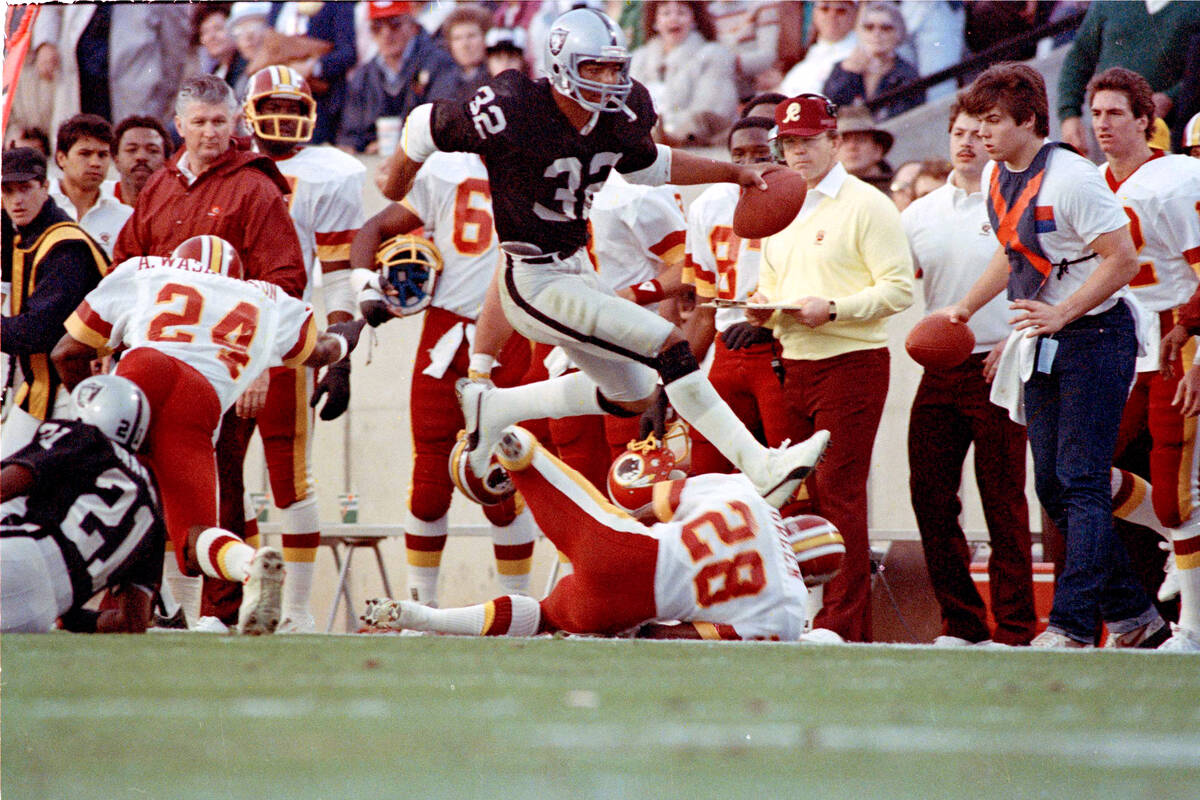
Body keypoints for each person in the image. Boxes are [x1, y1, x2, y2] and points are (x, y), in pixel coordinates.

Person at [381, 7, 831, 517]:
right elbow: (424, 124)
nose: (610, 80)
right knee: (670, 345)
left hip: (577, 268)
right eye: (595, 68)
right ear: (561, 63)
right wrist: (396, 183)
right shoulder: (511, 105)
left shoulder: (622, 112)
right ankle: (762, 466)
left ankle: (499, 407)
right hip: (533, 277)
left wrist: (733, 174)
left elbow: (651, 166)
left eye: (615, 68)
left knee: (634, 394)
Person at [945, 63, 1164, 649]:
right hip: (1043, 339)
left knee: (1081, 482)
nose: (983, 133)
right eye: (977, 121)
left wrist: (1060, 315)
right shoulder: (997, 173)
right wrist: (963, 309)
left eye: (994, 121)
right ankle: (1135, 617)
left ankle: (1069, 624)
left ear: (1030, 120)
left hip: (1095, 335)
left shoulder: (1072, 178)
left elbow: (1122, 261)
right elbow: (1012, 252)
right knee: (1050, 486)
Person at [51, 235, 367, 635]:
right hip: (198, 400)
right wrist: (346, 337)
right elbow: (320, 351)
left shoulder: (147, 270)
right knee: (192, 538)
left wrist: (90, 412)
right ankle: (250, 565)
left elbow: (66, 353)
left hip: (140, 376)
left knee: (93, 499)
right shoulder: (266, 300)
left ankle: (57, 597)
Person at [360, 424, 809, 641]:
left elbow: (633, 496)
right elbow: (684, 641)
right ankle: (424, 619)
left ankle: (505, 436)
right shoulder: (787, 613)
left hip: (628, 550)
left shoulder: (744, 494)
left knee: (532, 456)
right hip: (619, 604)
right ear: (807, 578)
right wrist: (632, 630)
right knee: (545, 617)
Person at [745, 93, 914, 642]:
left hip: (850, 360)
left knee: (838, 492)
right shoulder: (780, 204)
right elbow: (771, 282)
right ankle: (801, 618)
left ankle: (844, 627)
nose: (797, 153)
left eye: (808, 141)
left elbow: (898, 288)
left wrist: (835, 308)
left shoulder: (867, 204)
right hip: (793, 359)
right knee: (799, 495)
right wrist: (760, 307)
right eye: (789, 143)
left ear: (835, 142)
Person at [207, 65, 367, 632]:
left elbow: (341, 268)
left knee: (288, 474)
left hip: (284, 337)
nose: (285, 119)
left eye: (296, 108)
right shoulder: (227, 165)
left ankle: (295, 612)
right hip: (221, 339)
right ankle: (223, 606)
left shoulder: (328, 174)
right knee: (219, 474)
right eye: (274, 106)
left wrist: (343, 351)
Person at [352, 153, 538, 607]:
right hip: (446, 336)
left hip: (513, 331)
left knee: (505, 478)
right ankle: (421, 605)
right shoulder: (445, 171)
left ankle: (516, 605)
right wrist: (366, 288)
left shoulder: (543, 165)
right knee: (429, 483)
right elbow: (371, 231)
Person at [902, 99, 1035, 647]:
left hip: (1000, 363)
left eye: (978, 134)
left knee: (1003, 501)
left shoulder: (1018, 202)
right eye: (958, 132)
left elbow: (1046, 275)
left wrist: (1017, 337)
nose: (966, 143)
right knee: (930, 497)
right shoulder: (917, 214)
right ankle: (961, 623)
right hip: (941, 365)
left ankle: (1016, 629)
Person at [1091, 67, 1200, 652]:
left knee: (1180, 496)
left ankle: (1193, 631)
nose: (1103, 125)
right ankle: (1176, 542)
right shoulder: (1093, 183)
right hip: (1122, 351)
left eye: (1115, 114)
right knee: (1081, 473)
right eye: (1097, 114)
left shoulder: (1176, 181)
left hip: (1177, 347)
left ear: (1145, 120)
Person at [112, 75, 305, 299]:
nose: (210, 133)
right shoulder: (159, 183)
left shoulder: (257, 187)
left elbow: (284, 281)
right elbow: (123, 264)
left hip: (225, 327)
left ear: (234, 123)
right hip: (151, 325)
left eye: (218, 122)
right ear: (179, 126)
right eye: (199, 122)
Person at [1, 375, 165, 634]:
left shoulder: (84, 437)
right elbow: (132, 622)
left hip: (11, 555)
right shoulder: (153, 509)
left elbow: (13, 480)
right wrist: (74, 619)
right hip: (41, 611)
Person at [683, 115, 791, 478]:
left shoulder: (798, 198)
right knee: (707, 473)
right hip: (727, 347)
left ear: (778, 153)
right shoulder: (706, 205)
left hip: (784, 345)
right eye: (738, 155)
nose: (747, 165)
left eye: (760, 154)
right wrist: (670, 380)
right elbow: (704, 307)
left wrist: (771, 322)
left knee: (786, 473)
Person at [1, 147, 109, 460]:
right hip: (39, 390)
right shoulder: (28, 234)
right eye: (7, 191)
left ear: (45, 187)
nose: (16, 200)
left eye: (25, 188)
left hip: (77, 393)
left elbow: (39, 332)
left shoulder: (66, 247)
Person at [1056, 1, 1200, 158]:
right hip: (1114, 134)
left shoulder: (1193, 6)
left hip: (1174, 134)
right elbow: (1078, 57)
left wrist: (1171, 97)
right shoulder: (1108, 4)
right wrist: (1069, 115)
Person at [31, 2, 191, 134]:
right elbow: (49, 8)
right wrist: (46, 42)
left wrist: (160, 103)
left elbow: (174, 52)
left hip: (134, 98)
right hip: (79, 90)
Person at [336, 2, 458, 154]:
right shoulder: (363, 75)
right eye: (377, 27)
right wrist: (354, 147)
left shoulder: (439, 64)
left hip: (423, 161)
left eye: (395, 24)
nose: (386, 34)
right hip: (374, 162)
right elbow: (349, 134)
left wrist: (400, 145)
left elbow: (440, 122)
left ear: (413, 27)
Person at [629, 1, 738, 147]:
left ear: (694, 20)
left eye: (681, 13)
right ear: (655, 21)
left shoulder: (713, 55)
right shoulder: (639, 58)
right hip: (643, 143)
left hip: (695, 146)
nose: (673, 19)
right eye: (666, 13)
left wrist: (672, 135)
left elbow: (710, 112)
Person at [822, 1, 922, 122]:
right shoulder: (844, 68)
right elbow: (826, 112)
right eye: (869, 27)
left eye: (885, 28)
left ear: (899, 33)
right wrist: (848, 73)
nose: (876, 34)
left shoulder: (906, 76)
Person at [47, 114, 131, 257]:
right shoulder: (38, 206)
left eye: (102, 155)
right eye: (85, 154)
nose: (95, 163)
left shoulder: (125, 218)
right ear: (61, 158)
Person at [778, 1, 857, 97]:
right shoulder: (815, 51)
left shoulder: (857, 54)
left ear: (855, 15)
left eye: (841, 10)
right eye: (824, 9)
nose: (832, 16)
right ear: (814, 14)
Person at [110, 116, 173, 207]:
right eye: (132, 149)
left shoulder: (179, 208)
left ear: (167, 162)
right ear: (116, 160)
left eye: (152, 150)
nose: (141, 157)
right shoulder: (96, 203)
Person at [833, 104, 895, 192]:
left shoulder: (898, 189)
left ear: (878, 150)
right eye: (844, 141)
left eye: (860, 140)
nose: (852, 147)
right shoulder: (821, 196)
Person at [442, 4, 493, 101]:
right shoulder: (443, 82)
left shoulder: (496, 77)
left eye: (471, 36)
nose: (465, 45)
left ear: (485, 38)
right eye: (457, 38)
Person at [193, 3, 247, 91]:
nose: (211, 37)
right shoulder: (214, 73)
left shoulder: (245, 69)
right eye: (205, 32)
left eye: (218, 28)